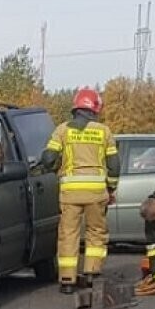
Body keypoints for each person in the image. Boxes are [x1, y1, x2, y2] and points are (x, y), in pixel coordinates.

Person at [41, 87, 119, 294]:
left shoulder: (62, 130)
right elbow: (114, 165)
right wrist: (111, 187)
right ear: (94, 109)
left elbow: (48, 158)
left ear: (75, 108)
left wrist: (52, 167)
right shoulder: (104, 131)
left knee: (68, 234)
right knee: (96, 232)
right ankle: (93, 273)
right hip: (96, 193)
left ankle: (67, 279)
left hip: (70, 193)